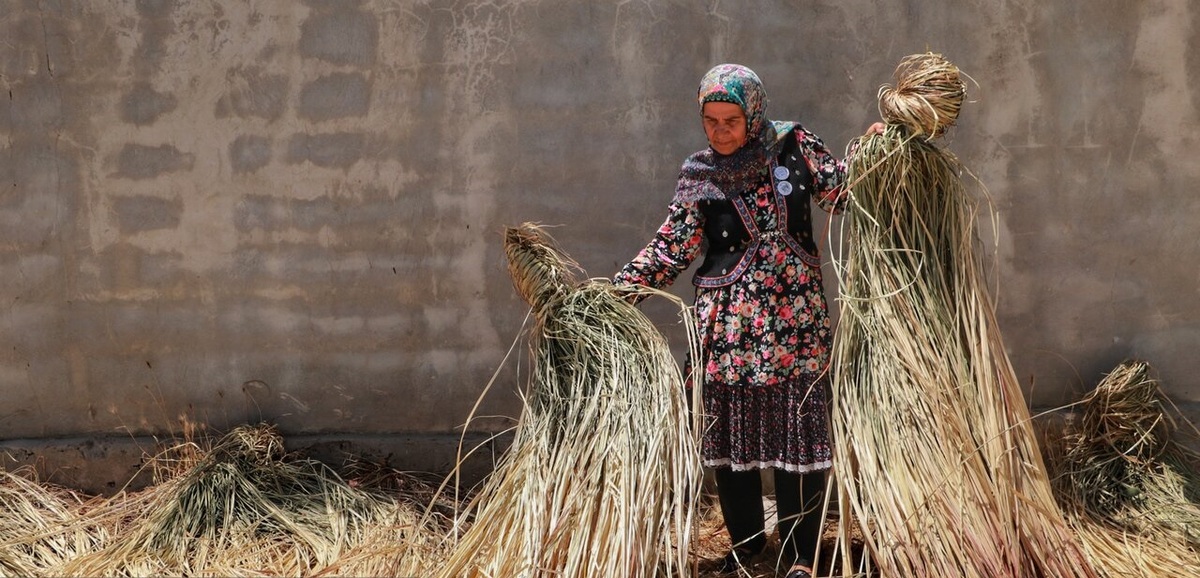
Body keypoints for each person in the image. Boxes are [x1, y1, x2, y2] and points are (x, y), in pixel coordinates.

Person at [612, 63, 881, 578]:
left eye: (731, 120)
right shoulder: (700, 177)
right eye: (710, 121)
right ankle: (747, 549)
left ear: (754, 113)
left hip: (795, 327)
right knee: (731, 441)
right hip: (729, 333)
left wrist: (876, 153)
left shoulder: (794, 146)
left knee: (798, 436)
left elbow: (842, 193)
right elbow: (672, 249)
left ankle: (799, 555)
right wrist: (619, 291)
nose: (720, 132)